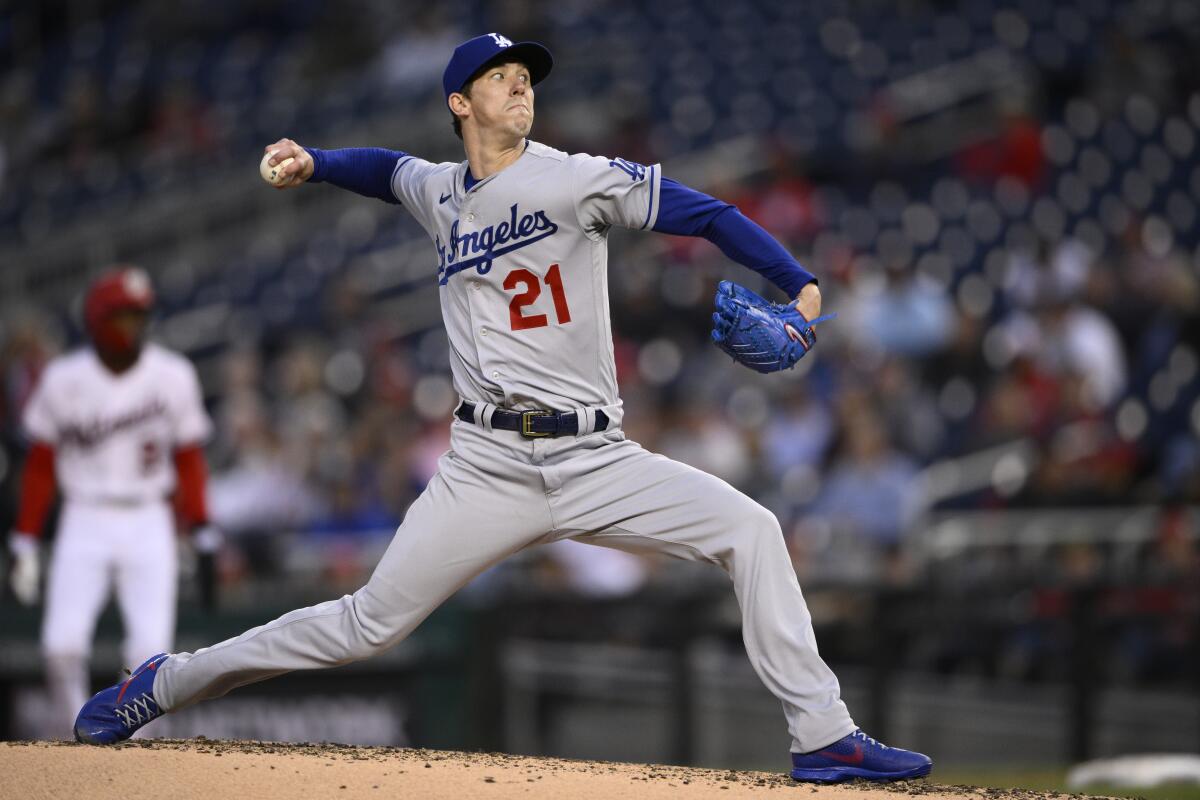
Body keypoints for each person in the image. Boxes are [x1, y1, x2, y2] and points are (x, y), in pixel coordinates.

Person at [74, 34, 932, 782]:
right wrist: (319, 162)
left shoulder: (576, 177)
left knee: (752, 531)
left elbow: (710, 215)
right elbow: (387, 170)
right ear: (461, 102)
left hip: (597, 457)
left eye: (527, 75)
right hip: (484, 467)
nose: (522, 83)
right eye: (501, 76)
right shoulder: (439, 192)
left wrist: (804, 290)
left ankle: (824, 738)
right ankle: (165, 681)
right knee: (367, 624)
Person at [8, 267, 218, 738]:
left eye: (139, 317)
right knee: (61, 648)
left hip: (149, 518)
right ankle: (78, 742)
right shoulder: (65, 378)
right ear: (98, 320)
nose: (133, 327)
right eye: (123, 316)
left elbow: (189, 460)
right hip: (84, 516)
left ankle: (139, 761)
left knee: (150, 653)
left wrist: (203, 531)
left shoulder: (172, 374)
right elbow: (40, 466)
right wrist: (23, 541)